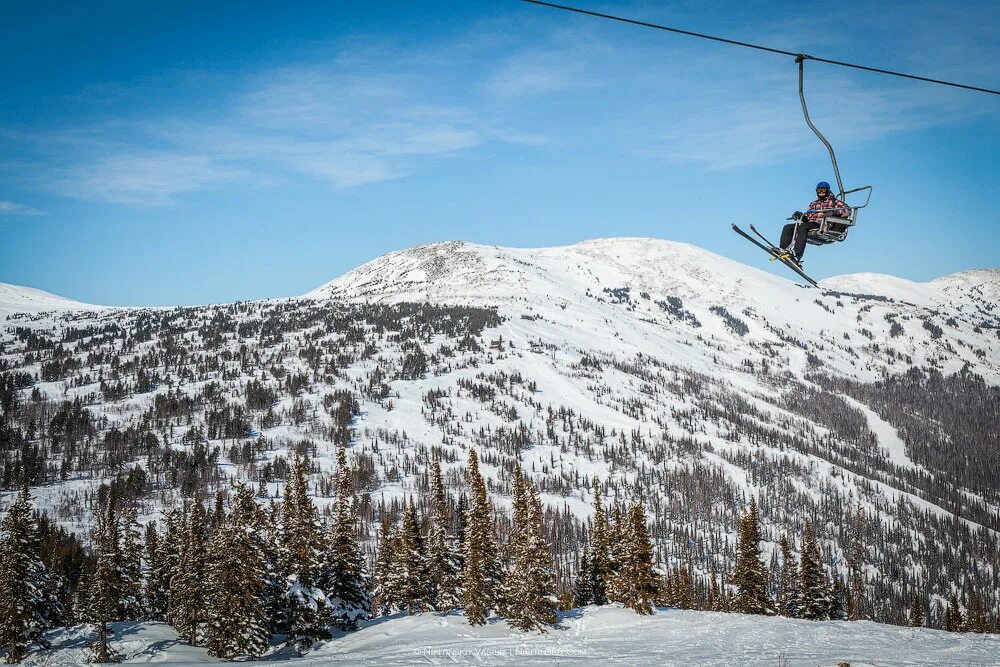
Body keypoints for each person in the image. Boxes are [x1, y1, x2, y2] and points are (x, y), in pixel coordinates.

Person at [779, 181, 851, 265]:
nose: (821, 192)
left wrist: (834, 212)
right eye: (819, 190)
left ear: (828, 191)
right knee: (788, 227)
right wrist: (800, 215)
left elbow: (847, 210)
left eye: (823, 190)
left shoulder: (834, 202)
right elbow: (808, 218)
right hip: (811, 223)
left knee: (803, 227)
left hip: (823, 225)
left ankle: (796, 255)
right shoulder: (813, 204)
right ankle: (783, 249)